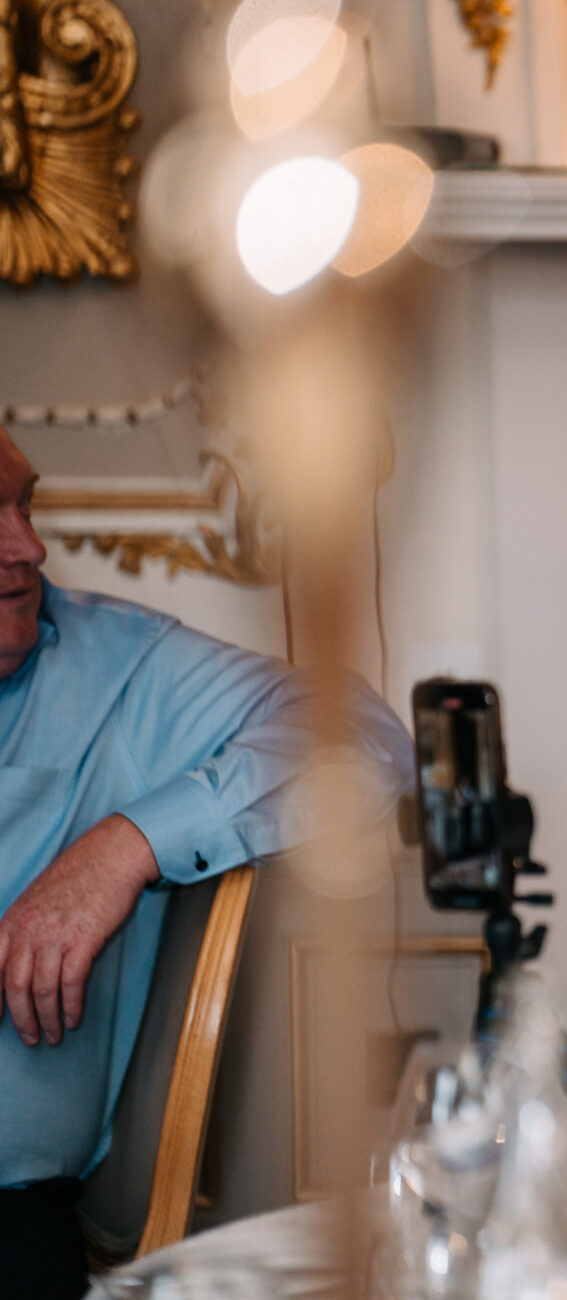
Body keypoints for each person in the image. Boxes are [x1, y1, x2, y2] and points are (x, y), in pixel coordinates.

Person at [0, 423, 413, 1296]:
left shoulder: (123, 673)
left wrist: (127, 842)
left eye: (23, 503)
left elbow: (365, 739)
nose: (27, 546)